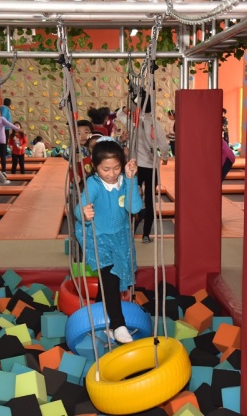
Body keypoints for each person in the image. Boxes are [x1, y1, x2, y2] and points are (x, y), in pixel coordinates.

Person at [75, 137, 143, 343]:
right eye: (106, 169)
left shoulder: (123, 181)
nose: (112, 174)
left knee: (109, 281)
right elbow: (80, 207)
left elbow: (134, 208)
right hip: (98, 236)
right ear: (95, 168)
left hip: (120, 236)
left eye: (116, 168)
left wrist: (131, 180)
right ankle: (118, 324)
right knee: (111, 276)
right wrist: (83, 212)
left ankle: (101, 318)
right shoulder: (94, 184)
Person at [135, 93, 169, 244]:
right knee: (149, 201)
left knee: (132, 198)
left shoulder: (134, 121)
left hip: (136, 167)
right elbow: (163, 144)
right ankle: (146, 235)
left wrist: (124, 109)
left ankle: (131, 231)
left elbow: (120, 115)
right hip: (150, 168)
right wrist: (165, 157)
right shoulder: (154, 123)